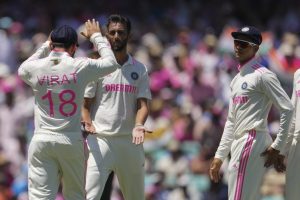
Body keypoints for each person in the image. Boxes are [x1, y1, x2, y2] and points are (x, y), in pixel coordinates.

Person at [18, 19, 119, 199]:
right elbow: (111, 63)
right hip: (71, 141)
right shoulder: (79, 65)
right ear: (73, 47)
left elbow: (22, 69)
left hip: (41, 140)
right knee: (75, 195)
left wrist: (44, 47)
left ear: (52, 45)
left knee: (40, 196)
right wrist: (97, 36)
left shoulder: (35, 68)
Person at [209, 26, 294, 200]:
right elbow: (231, 121)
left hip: (252, 139)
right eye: (236, 42)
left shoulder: (263, 75)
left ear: (255, 48)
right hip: (239, 142)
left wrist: (279, 145)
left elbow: (287, 108)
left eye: (244, 44)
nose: (238, 47)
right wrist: (220, 155)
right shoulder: (236, 79)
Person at [81, 14, 152, 200]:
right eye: (112, 32)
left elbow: (143, 105)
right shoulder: (97, 67)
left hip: (130, 142)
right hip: (101, 140)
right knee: (89, 196)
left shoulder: (139, 69)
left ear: (128, 35)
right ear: (106, 36)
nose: (116, 36)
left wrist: (138, 125)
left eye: (121, 32)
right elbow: (85, 105)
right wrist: (87, 122)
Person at [285, 69, 300, 200]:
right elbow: (293, 115)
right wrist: (283, 150)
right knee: (292, 195)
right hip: (297, 144)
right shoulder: (298, 74)